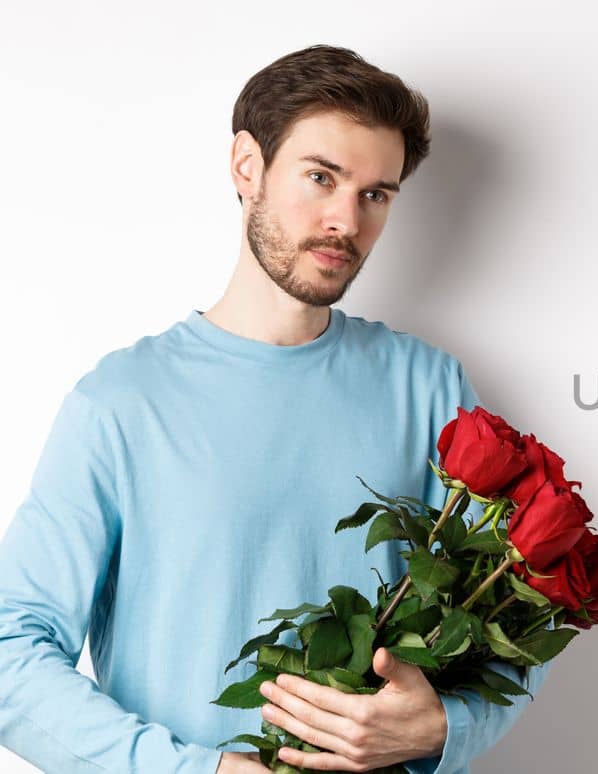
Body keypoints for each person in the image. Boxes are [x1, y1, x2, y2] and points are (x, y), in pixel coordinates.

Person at [0, 45, 547, 773]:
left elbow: (521, 611)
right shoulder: (121, 404)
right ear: (247, 167)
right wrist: (197, 772)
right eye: (321, 178)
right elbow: (12, 656)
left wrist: (444, 725)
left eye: (375, 194)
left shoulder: (429, 388)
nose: (345, 222)